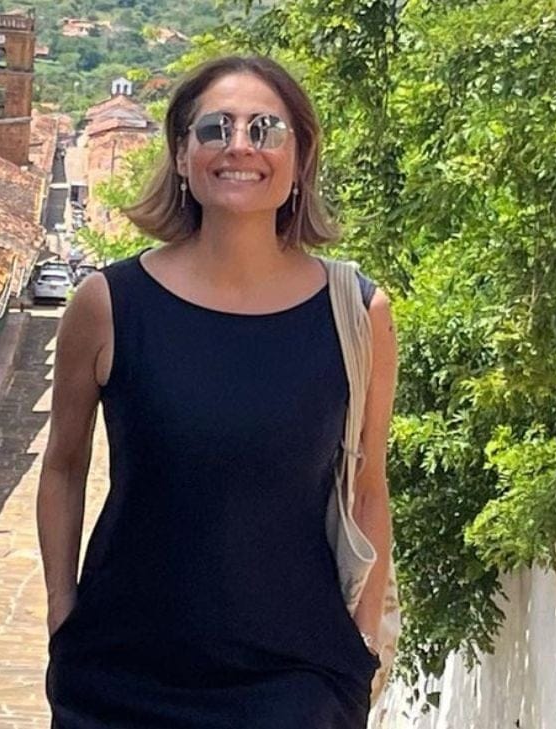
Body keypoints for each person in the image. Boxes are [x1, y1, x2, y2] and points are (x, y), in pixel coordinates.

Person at [37, 55, 399, 729]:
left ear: (300, 158)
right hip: (120, 675)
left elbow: (369, 487)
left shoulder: (356, 312)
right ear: (181, 155)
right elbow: (62, 464)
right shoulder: (109, 304)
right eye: (215, 128)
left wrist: (364, 642)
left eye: (265, 128)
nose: (239, 145)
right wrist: (63, 611)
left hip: (295, 683)